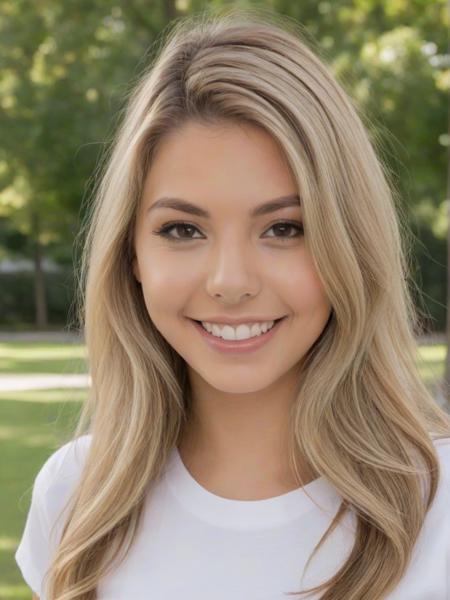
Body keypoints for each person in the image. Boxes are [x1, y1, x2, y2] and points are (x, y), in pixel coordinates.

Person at [15, 7, 450, 600]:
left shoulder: (441, 509)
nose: (230, 281)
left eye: (284, 228)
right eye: (182, 230)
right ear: (132, 256)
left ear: (349, 244)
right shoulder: (73, 500)